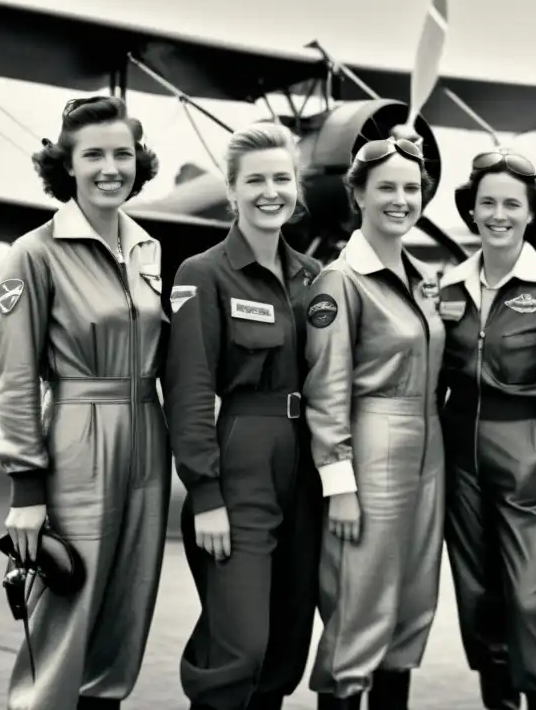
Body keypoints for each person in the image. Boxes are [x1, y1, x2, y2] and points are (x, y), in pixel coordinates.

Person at [0, 95, 169, 710]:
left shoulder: (148, 249)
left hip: (150, 434)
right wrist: (26, 489)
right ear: (66, 164)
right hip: (77, 435)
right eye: (93, 154)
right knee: (67, 610)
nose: (109, 167)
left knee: (126, 611)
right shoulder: (33, 254)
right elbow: (14, 377)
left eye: (123, 153)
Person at [163, 122, 323, 710]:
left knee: (285, 647)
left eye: (282, 178)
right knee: (240, 646)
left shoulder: (315, 278)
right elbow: (187, 389)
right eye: (254, 180)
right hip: (242, 460)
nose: (269, 191)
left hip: (307, 468)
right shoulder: (201, 274)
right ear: (231, 191)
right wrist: (204, 492)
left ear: (297, 187)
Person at [437, 149, 536, 710]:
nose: (498, 214)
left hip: (528, 454)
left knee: (530, 603)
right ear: (471, 212)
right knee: (481, 603)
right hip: (459, 462)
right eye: (487, 203)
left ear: (531, 213)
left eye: (511, 203)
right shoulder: (447, 289)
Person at [303, 137, 446, 710]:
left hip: (427, 446)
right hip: (372, 444)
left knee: (412, 608)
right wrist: (339, 484)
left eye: (411, 189)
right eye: (386, 187)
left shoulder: (421, 278)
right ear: (358, 194)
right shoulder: (340, 281)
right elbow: (326, 387)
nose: (401, 199)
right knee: (360, 608)